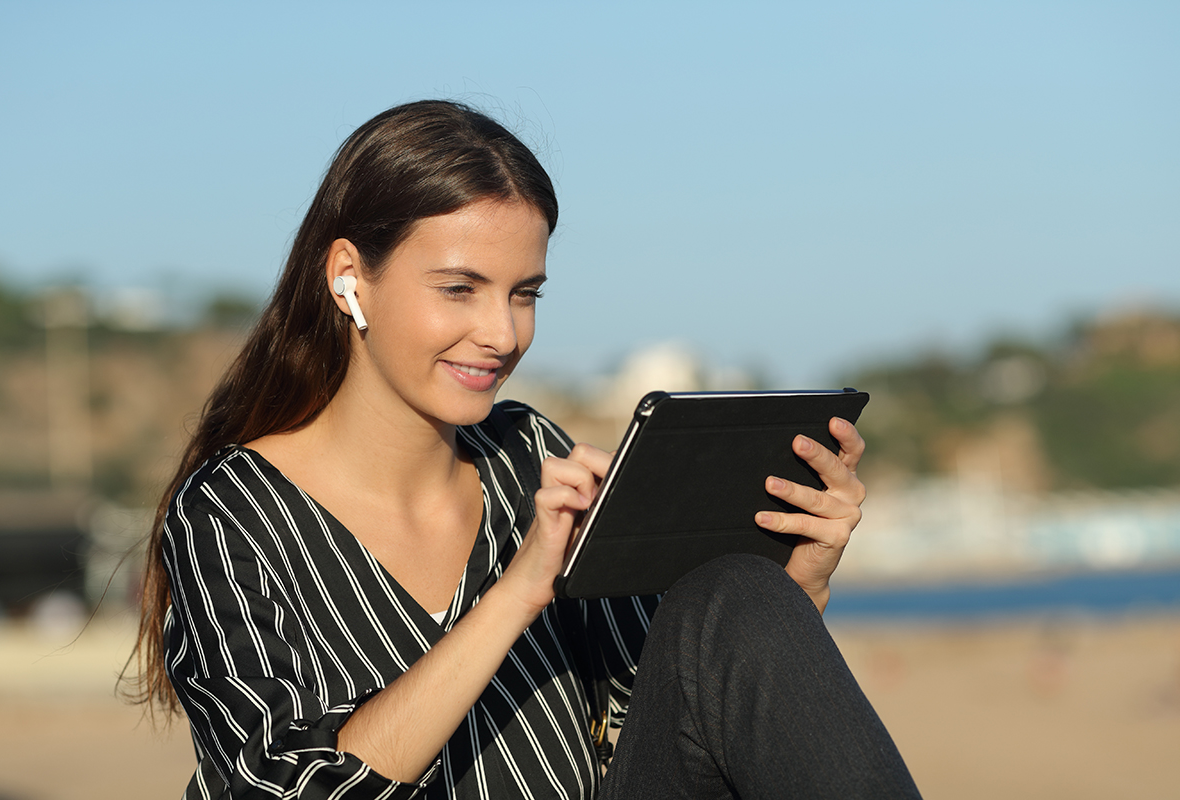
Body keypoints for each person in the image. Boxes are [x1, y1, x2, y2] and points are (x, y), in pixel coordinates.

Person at [130, 100, 920, 799]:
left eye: (525, 293)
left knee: (736, 592)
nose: (503, 335)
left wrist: (794, 590)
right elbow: (289, 789)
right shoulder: (230, 514)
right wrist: (518, 591)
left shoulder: (529, 455)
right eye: (459, 289)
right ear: (349, 278)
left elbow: (656, 711)